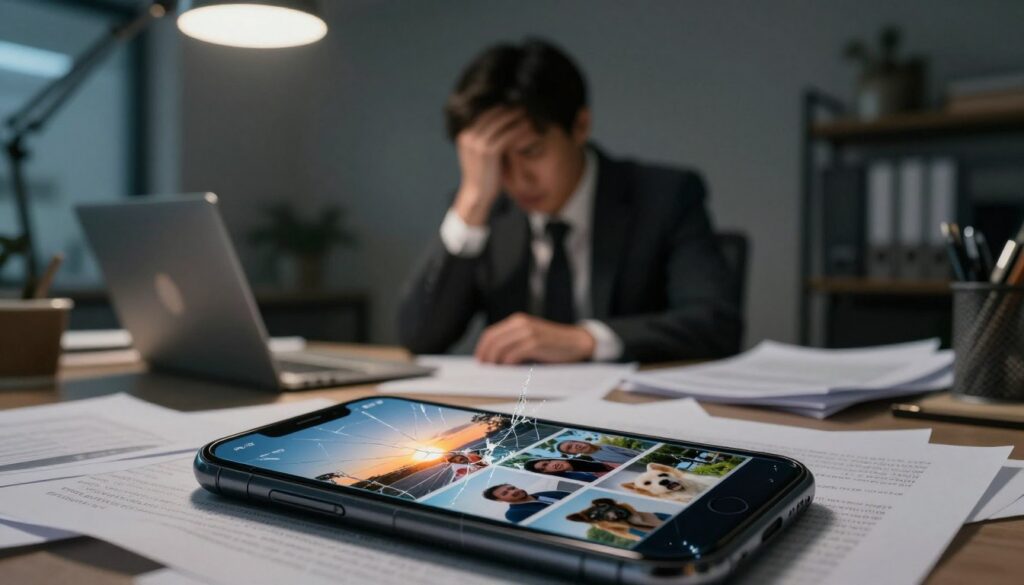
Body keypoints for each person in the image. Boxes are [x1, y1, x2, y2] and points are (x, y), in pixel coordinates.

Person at [397, 38, 742, 364]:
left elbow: (716, 323)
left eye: (531, 152)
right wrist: (471, 202)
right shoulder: (487, 208)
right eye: (497, 161)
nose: (517, 180)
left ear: (580, 126)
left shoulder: (664, 195)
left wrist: (586, 339)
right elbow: (419, 339)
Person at [482, 483, 570, 523]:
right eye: (505, 493)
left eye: (512, 488)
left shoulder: (545, 493)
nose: (513, 492)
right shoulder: (513, 514)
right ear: (499, 500)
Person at [523, 457, 617, 482]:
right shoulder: (581, 478)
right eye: (544, 469)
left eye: (546, 463)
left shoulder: (594, 460)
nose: (551, 466)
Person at [555, 439, 638, 464]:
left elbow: (633, 453)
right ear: (573, 454)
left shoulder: (604, 446)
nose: (575, 446)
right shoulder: (597, 461)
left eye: (573, 443)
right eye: (570, 448)